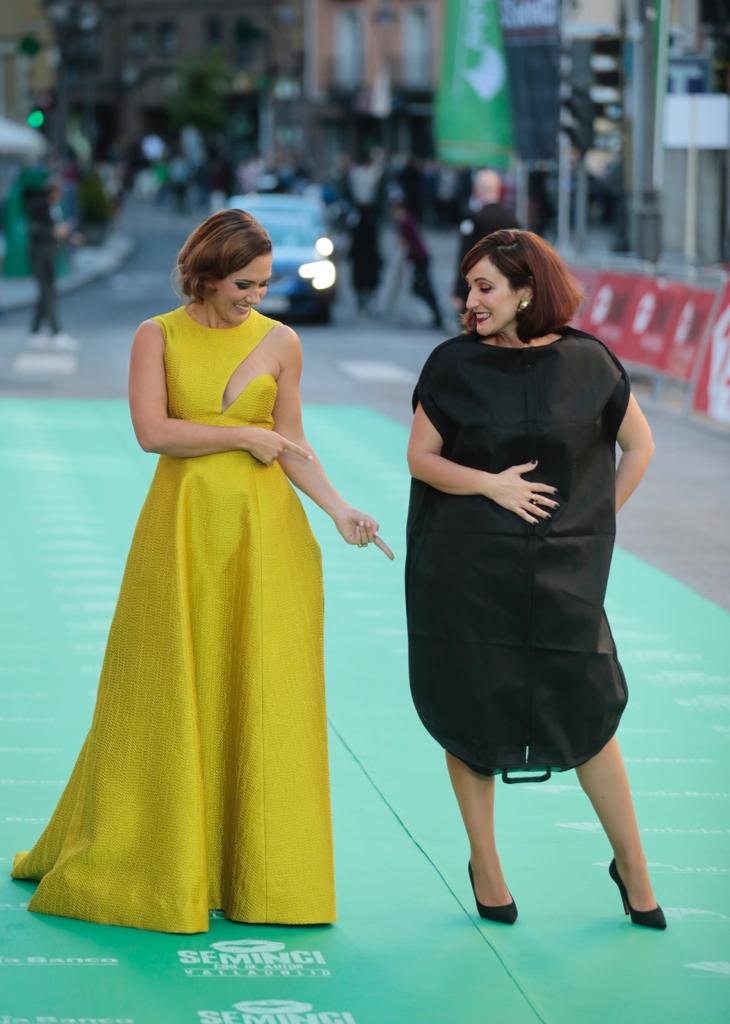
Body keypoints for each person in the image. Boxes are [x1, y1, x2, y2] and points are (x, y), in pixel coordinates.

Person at [12, 208, 394, 933]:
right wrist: (242, 434)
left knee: (253, 689)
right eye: (244, 283)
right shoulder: (154, 335)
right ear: (208, 274)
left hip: (263, 537)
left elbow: (292, 442)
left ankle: (252, 872)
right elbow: (152, 432)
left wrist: (340, 509)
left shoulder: (282, 344)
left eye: (264, 282)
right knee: (165, 685)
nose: (257, 294)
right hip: (181, 533)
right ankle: (162, 861)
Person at [406, 229, 665, 930]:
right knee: (470, 709)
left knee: (588, 707)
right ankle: (486, 866)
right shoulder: (453, 364)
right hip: (463, 566)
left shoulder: (588, 362)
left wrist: (592, 515)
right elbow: (422, 459)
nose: (472, 300)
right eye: (469, 287)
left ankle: (632, 866)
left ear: (528, 292)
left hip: (561, 569)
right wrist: (490, 486)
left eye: (486, 287)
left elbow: (637, 446)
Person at [21, 167, 79, 352]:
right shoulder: (39, 205)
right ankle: (56, 332)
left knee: (46, 293)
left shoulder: (54, 207)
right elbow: (37, 229)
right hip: (39, 254)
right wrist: (55, 232)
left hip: (50, 254)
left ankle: (35, 332)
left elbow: (56, 228)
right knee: (48, 292)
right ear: (52, 191)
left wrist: (69, 236)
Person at [452, 169, 520, 314]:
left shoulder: (474, 219)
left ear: (476, 190)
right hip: (505, 290)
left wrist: (459, 291)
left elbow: (465, 255)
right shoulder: (513, 221)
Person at [391, 200, 446, 330]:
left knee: (423, 287)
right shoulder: (407, 220)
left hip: (420, 259)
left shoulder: (404, 221)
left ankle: (435, 315)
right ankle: (435, 315)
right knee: (421, 287)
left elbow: (403, 242)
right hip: (420, 259)